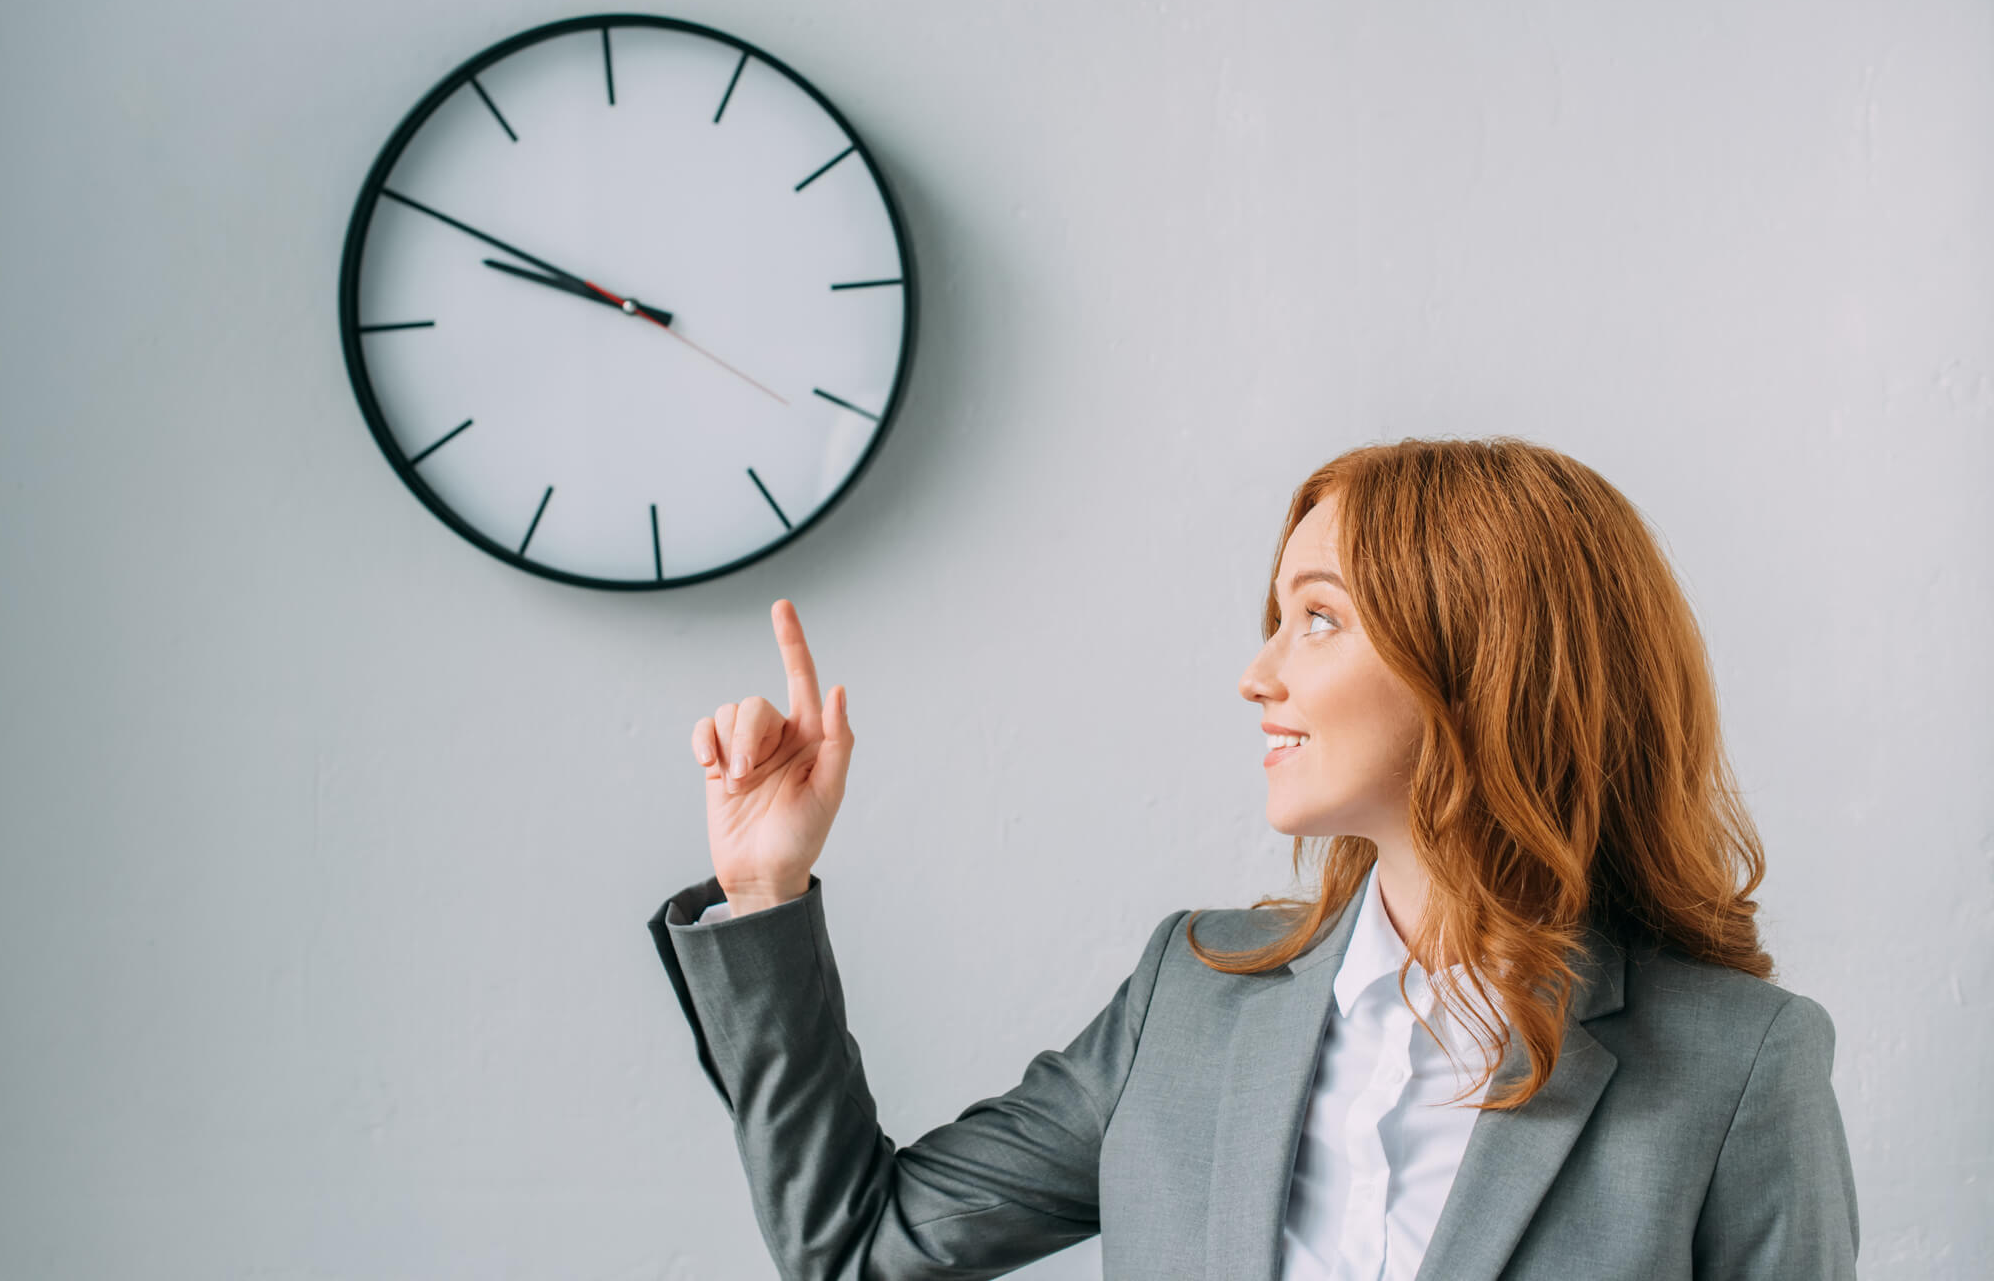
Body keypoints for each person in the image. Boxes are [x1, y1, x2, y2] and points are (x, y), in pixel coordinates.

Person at [646, 435, 1860, 1280]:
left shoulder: (1739, 1067)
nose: (1258, 671)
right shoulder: (1191, 994)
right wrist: (766, 892)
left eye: (1317, 618)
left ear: (1481, 657)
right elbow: (856, 1245)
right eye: (1274, 617)